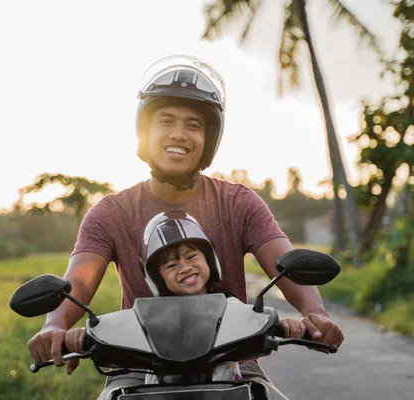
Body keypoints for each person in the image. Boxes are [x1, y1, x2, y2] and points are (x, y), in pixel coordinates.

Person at [26, 54, 344, 397]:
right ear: (146, 132)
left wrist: (315, 313)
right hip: (137, 369)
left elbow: (286, 261)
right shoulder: (111, 212)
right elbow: (79, 280)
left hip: (234, 364)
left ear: (209, 138)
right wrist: (55, 325)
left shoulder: (238, 202)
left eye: (194, 125)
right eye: (166, 120)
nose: (179, 134)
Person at [64, 211, 307, 389]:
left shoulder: (230, 307)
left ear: (210, 259)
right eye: (171, 264)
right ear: (156, 277)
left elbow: (257, 320)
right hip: (154, 393)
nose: (185, 267)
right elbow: (116, 329)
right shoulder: (143, 317)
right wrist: (81, 336)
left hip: (230, 391)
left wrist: (287, 324)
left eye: (192, 257)